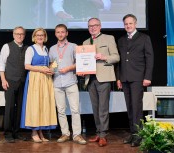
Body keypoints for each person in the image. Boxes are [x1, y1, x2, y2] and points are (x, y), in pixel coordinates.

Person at [116, 14, 154, 147]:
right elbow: (120, 61)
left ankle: (139, 135)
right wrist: (119, 78)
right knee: (130, 107)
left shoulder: (144, 38)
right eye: (126, 24)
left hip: (138, 78)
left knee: (137, 107)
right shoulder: (121, 40)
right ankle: (133, 133)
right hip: (125, 78)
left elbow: (150, 58)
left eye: (130, 23)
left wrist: (147, 77)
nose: (128, 26)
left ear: (135, 24)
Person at [82, 17, 120, 147]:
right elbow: (83, 61)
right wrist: (82, 70)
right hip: (90, 79)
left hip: (104, 78)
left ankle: (103, 135)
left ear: (100, 26)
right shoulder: (85, 42)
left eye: (95, 25)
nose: (92, 28)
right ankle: (98, 132)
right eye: (90, 26)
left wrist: (104, 57)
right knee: (95, 108)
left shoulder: (109, 38)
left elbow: (116, 57)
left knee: (103, 108)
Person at [49, 24, 87, 145]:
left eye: (62, 32)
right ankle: (65, 133)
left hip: (70, 81)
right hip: (57, 83)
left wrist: (68, 68)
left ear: (67, 33)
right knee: (60, 110)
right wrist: (51, 68)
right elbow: (52, 64)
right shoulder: (52, 49)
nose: (60, 34)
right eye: (58, 32)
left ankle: (77, 135)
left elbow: (79, 62)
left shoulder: (73, 46)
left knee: (75, 109)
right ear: (55, 34)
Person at [20, 28, 57, 143]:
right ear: (34, 37)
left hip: (45, 79)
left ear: (45, 37)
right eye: (38, 35)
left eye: (42, 35)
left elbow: (49, 64)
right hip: (35, 78)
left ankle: (41, 131)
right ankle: (34, 132)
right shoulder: (30, 49)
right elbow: (27, 66)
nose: (40, 37)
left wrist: (51, 69)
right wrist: (41, 69)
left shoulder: (46, 49)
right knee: (35, 104)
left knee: (43, 104)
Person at [0, 26, 28, 143]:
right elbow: (1, 64)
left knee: (20, 108)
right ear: (13, 35)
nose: (19, 36)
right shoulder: (7, 46)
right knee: (10, 108)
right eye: (17, 34)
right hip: (10, 81)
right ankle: (8, 133)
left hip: (22, 82)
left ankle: (16, 132)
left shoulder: (27, 48)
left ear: (24, 35)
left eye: (22, 34)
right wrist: (3, 80)